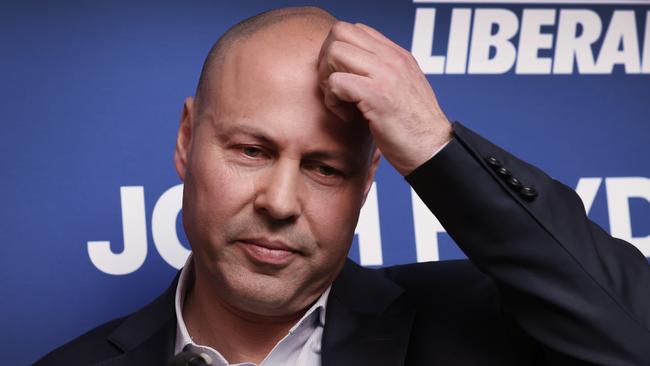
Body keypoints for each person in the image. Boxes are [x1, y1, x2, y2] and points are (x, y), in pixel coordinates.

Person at [35, 6, 650, 366]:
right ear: (186, 139)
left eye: (325, 168)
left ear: (368, 180)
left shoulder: (475, 329)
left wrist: (435, 146)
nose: (279, 203)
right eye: (252, 151)